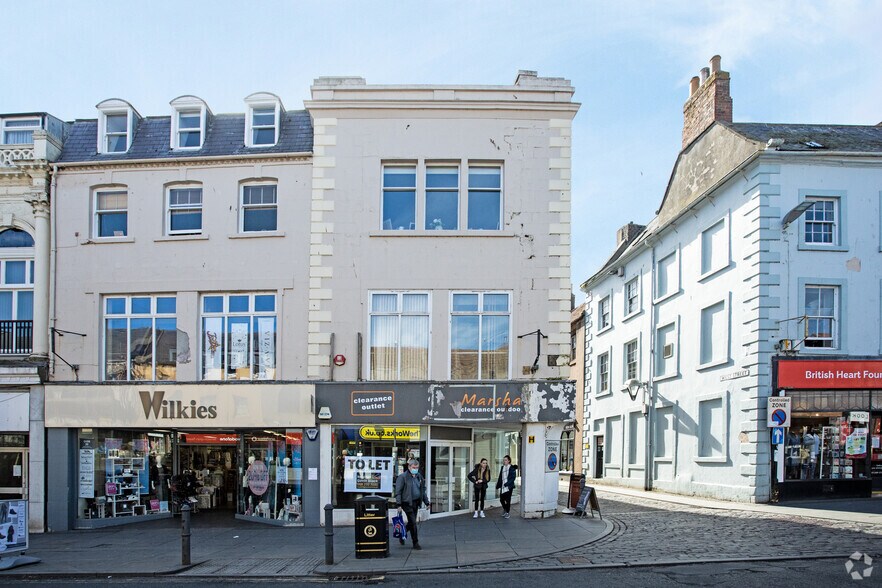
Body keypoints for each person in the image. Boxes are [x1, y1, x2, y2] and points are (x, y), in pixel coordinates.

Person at [394, 458, 430, 550]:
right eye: (414, 467)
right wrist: (398, 505)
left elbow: (422, 490)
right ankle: (415, 543)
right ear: (409, 467)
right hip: (406, 503)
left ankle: (402, 534)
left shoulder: (419, 476)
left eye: (417, 467)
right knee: (413, 523)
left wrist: (427, 502)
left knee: (411, 522)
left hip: (416, 502)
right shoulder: (403, 477)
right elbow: (398, 492)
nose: (415, 469)